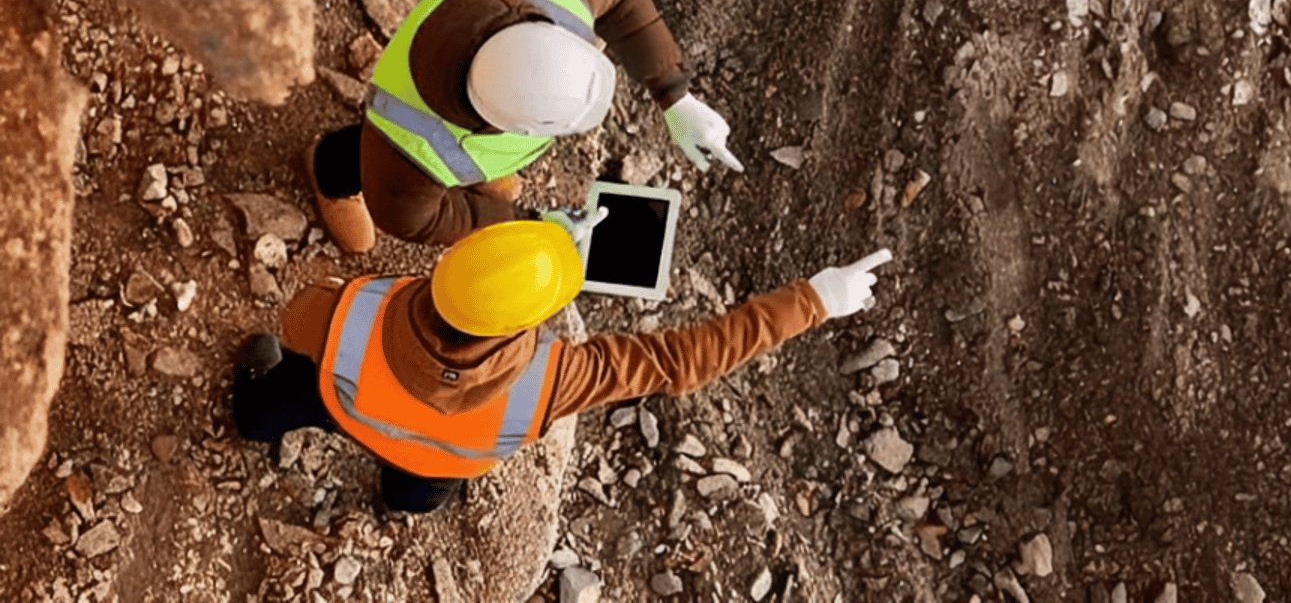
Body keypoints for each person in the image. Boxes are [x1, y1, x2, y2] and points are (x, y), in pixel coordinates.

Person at [232, 218, 893, 513]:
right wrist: (813, 300)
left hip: (349, 407)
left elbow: (295, 322)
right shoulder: (553, 381)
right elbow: (684, 359)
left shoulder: (352, 310)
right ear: (527, 322)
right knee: (416, 491)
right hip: (434, 462)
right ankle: (402, 503)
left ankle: (254, 419)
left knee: (289, 393)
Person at [305, 0, 741, 253]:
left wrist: (676, 97)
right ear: (519, 128)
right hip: (396, 147)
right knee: (354, 154)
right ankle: (327, 173)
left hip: (455, 101)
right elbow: (427, 219)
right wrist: (524, 224)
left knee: (482, 178)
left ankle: (483, 173)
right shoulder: (409, 163)